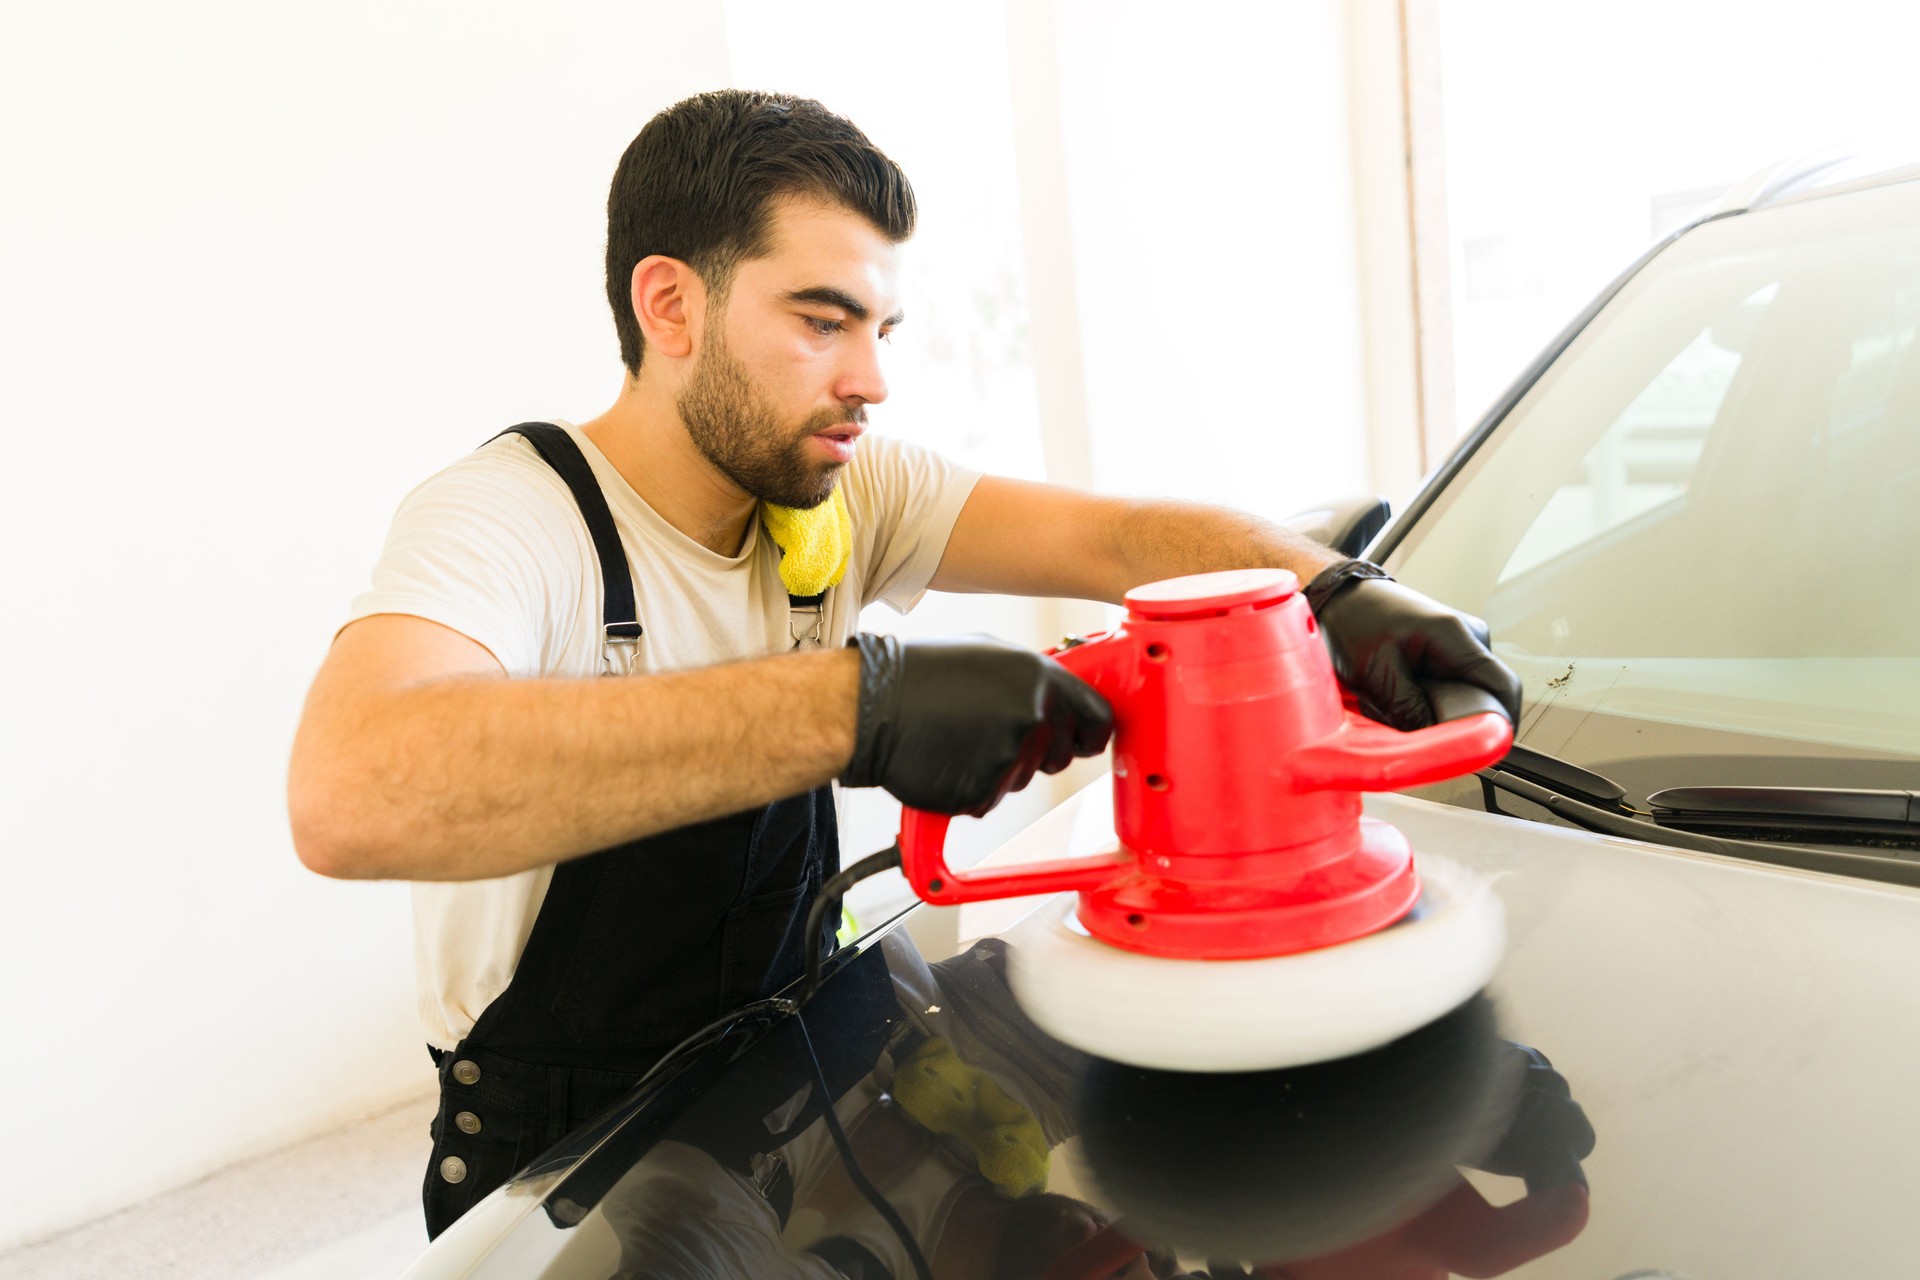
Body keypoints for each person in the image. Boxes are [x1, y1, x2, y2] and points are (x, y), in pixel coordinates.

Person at [285, 88, 1522, 1237]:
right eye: (821, 321)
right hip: (561, 1158)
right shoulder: (511, 519)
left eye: (879, 327)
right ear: (669, 306)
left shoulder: (838, 481)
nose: (870, 379)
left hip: (782, 1071)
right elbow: (350, 792)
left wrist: (1338, 592)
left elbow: (1119, 535)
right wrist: (856, 702)